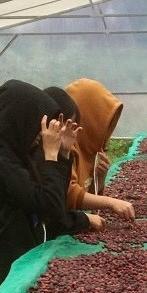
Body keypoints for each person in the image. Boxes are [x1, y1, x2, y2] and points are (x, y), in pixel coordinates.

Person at [0, 80, 78, 290]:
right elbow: (51, 206)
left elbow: (57, 201)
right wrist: (51, 156)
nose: (40, 133)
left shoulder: (20, 157)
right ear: (21, 120)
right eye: (38, 124)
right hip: (13, 271)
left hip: (28, 260)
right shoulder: (0, 165)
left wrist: (63, 154)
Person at [64, 79, 135, 221]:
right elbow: (68, 194)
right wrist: (111, 203)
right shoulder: (66, 148)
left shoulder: (87, 147)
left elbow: (84, 197)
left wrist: (99, 179)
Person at [42, 87, 105, 237]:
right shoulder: (38, 157)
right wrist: (85, 218)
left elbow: (63, 195)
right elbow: (56, 205)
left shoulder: (67, 151)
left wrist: (100, 179)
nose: (65, 131)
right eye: (61, 125)